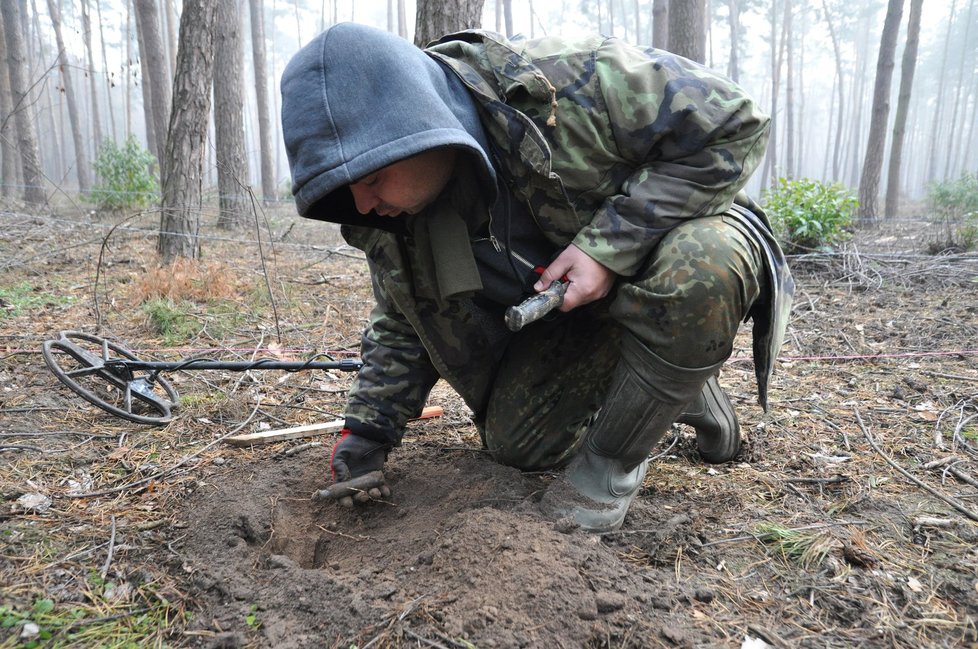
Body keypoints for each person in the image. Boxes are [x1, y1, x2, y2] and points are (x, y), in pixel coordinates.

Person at [280, 23, 794, 532]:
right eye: (350, 190)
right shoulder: (397, 214)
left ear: (422, 127)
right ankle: (674, 388)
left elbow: (737, 123)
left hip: (683, 242)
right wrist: (368, 430)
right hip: (570, 318)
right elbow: (404, 318)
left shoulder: (566, 80)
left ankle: (610, 466)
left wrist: (608, 248)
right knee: (519, 445)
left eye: (372, 178)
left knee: (702, 265)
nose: (364, 203)